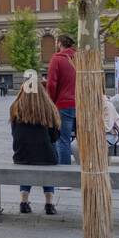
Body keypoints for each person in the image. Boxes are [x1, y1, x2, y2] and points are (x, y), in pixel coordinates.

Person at [10, 80, 61, 215]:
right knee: (48, 149)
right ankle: (49, 203)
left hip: (21, 156)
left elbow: (14, 134)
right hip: (47, 158)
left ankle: (24, 201)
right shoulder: (49, 108)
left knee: (29, 156)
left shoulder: (15, 108)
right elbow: (55, 136)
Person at [45, 34, 77, 165]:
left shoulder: (57, 59)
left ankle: (65, 177)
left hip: (64, 105)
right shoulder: (80, 58)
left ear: (59, 43)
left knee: (63, 140)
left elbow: (51, 84)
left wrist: (50, 102)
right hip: (83, 105)